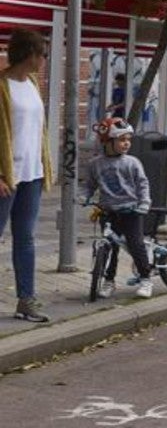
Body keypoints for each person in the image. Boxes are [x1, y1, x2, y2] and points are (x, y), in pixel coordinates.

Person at [0, 28, 53, 322]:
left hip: (31, 173)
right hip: (7, 176)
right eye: (42, 54)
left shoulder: (32, 83)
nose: (44, 59)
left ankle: (26, 300)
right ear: (29, 54)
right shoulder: (1, 85)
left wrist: (44, 165)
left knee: (26, 239)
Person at [83, 118, 154, 299]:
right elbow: (89, 186)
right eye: (122, 140)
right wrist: (84, 197)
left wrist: (144, 202)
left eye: (128, 139)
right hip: (108, 212)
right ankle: (108, 281)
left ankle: (146, 278)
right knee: (109, 247)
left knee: (135, 244)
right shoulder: (95, 164)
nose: (126, 143)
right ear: (107, 142)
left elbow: (142, 184)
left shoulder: (132, 162)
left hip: (131, 211)